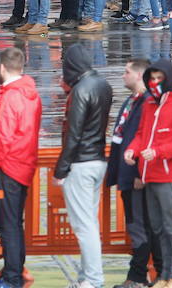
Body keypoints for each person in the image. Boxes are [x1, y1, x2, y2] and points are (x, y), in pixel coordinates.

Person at [124, 59, 172, 288]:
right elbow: (141, 133)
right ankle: (166, 275)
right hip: (151, 175)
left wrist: (158, 152)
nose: (155, 83)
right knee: (158, 229)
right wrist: (133, 149)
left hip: (169, 176)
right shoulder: (150, 104)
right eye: (152, 79)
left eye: (159, 78)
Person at [54, 44, 113, 288]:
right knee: (90, 222)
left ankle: (92, 278)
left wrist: (61, 168)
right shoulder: (102, 85)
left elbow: (73, 133)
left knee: (83, 225)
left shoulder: (80, 91)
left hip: (80, 162)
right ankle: (88, 275)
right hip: (98, 158)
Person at [0, 48, 41, 288]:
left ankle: (12, 277)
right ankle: (14, 273)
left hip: (7, 167)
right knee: (14, 224)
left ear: (2, 67)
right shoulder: (30, 94)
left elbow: (2, 137)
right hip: (23, 164)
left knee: (7, 225)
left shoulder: (9, 96)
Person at [106, 57, 161, 288]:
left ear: (139, 75)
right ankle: (158, 273)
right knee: (140, 225)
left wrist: (141, 173)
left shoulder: (147, 101)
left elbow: (146, 137)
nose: (122, 75)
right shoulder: (133, 100)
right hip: (126, 173)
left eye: (126, 71)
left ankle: (137, 276)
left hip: (136, 174)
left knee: (140, 227)